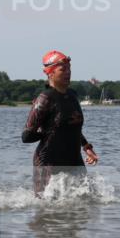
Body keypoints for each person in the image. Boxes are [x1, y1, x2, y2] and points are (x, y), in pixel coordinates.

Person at [22, 51, 99, 194]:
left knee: (86, 202)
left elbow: (71, 126)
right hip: (49, 161)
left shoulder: (72, 95)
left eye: (69, 68)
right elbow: (26, 136)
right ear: (50, 73)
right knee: (45, 207)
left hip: (74, 158)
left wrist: (87, 147)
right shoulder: (44, 99)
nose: (68, 72)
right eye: (63, 69)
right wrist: (49, 131)